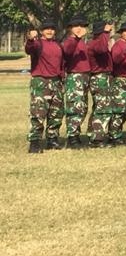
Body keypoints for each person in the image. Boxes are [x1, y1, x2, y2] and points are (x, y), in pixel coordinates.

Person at [25, 20, 64, 153]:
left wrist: (62, 77)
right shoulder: (37, 43)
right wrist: (30, 39)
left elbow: (61, 63)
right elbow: (29, 49)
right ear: (41, 31)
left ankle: (52, 139)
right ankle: (34, 142)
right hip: (41, 81)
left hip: (56, 82)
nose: (49, 31)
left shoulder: (58, 44)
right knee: (38, 113)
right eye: (46, 29)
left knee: (56, 113)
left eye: (52, 29)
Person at [61, 14, 91, 149]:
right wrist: (76, 37)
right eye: (76, 26)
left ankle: (76, 134)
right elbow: (67, 52)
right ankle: (72, 137)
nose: (80, 28)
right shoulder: (69, 41)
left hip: (85, 76)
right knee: (75, 107)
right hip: (75, 76)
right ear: (70, 29)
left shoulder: (82, 42)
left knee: (83, 107)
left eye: (82, 26)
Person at [86, 21, 114, 147]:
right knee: (103, 108)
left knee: (99, 107)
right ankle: (97, 139)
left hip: (105, 77)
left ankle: (93, 134)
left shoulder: (97, 42)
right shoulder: (95, 44)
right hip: (100, 77)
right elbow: (102, 49)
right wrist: (106, 33)